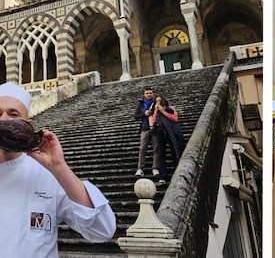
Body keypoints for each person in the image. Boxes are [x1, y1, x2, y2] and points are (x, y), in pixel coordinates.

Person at [0, 81, 116, 257]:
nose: (4, 120)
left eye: (13, 114)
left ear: (28, 124)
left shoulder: (49, 176)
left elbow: (102, 230)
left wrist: (59, 166)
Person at [151, 95, 185, 185]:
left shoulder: (171, 108)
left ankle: (176, 172)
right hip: (160, 131)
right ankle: (162, 176)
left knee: (174, 150)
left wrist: (163, 110)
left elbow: (175, 118)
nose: (158, 102)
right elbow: (154, 121)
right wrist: (156, 110)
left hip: (170, 130)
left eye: (160, 101)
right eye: (156, 101)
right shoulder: (156, 110)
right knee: (161, 153)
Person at [134, 87, 160, 177]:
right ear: (144, 95)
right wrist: (144, 114)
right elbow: (136, 116)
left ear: (152, 94)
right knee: (142, 148)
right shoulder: (141, 104)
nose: (149, 95)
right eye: (147, 93)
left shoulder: (156, 102)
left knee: (156, 148)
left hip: (155, 127)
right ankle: (140, 168)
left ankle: (155, 167)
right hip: (145, 128)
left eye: (150, 93)